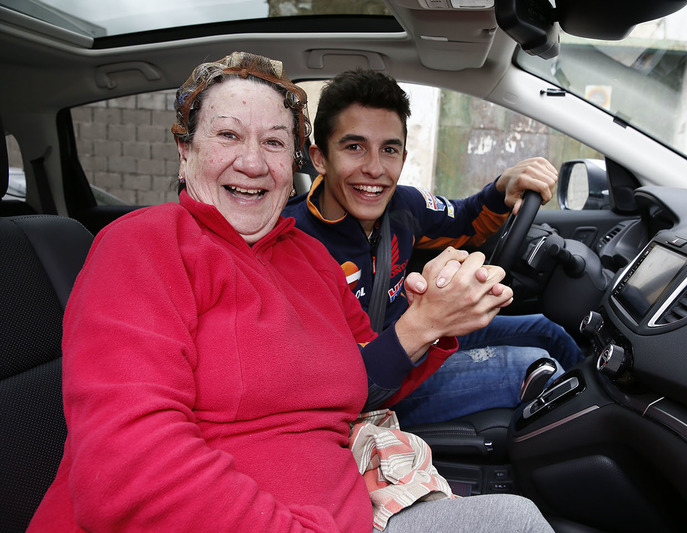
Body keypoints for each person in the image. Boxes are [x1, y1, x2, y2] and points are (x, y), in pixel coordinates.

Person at [27, 52, 553, 533]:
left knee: (517, 518)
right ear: (184, 151)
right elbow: (128, 472)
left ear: (293, 164)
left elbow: (366, 381)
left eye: (274, 142)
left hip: (348, 510)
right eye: (228, 136)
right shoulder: (144, 244)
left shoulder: (306, 257)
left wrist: (431, 317)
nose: (253, 163)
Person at [283, 68, 584, 426]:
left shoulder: (404, 207)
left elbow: (467, 220)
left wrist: (504, 186)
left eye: (389, 149)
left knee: (548, 330)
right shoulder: (291, 241)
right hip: (375, 388)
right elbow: (328, 381)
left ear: (404, 158)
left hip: (419, 340)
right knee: (535, 367)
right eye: (354, 147)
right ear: (319, 158)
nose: (375, 168)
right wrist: (428, 320)